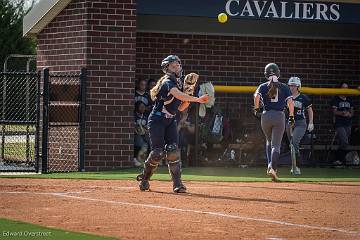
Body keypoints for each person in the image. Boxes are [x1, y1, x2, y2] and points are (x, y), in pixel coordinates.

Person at [136, 55, 209, 193]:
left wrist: (188, 96)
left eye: (178, 65)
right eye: (173, 66)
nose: (177, 67)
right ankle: (145, 179)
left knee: (173, 150)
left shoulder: (179, 83)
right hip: (157, 120)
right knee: (158, 153)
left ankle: (177, 184)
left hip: (170, 120)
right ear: (167, 69)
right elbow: (178, 95)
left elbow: (180, 107)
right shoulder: (168, 82)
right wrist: (197, 99)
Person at [253, 63, 294, 181]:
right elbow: (290, 103)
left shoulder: (262, 86)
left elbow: (256, 97)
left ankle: (269, 164)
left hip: (265, 115)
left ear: (266, 74)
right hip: (279, 115)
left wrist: (256, 110)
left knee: (268, 141)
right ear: (278, 73)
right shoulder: (284, 87)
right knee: (276, 145)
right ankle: (273, 169)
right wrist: (291, 116)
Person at [285, 77, 314, 175]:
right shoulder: (286, 97)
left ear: (298, 86)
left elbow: (310, 110)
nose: (292, 87)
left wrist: (311, 122)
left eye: (294, 85)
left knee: (294, 142)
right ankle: (294, 166)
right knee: (291, 145)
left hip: (300, 123)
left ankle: (297, 163)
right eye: (290, 85)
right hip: (289, 122)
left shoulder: (303, 97)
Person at [330, 82, 354, 165]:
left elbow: (352, 112)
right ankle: (338, 158)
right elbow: (334, 112)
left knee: (344, 143)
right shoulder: (336, 99)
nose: (345, 89)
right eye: (343, 87)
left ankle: (338, 160)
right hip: (339, 123)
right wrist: (342, 113)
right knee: (344, 141)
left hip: (347, 123)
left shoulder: (349, 99)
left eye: (347, 88)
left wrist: (349, 114)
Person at [134, 101, 150, 167]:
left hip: (145, 134)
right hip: (137, 134)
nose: (143, 108)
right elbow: (136, 127)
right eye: (141, 107)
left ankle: (147, 161)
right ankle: (135, 159)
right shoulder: (134, 116)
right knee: (139, 142)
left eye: (144, 107)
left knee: (150, 143)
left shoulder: (146, 116)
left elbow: (147, 127)